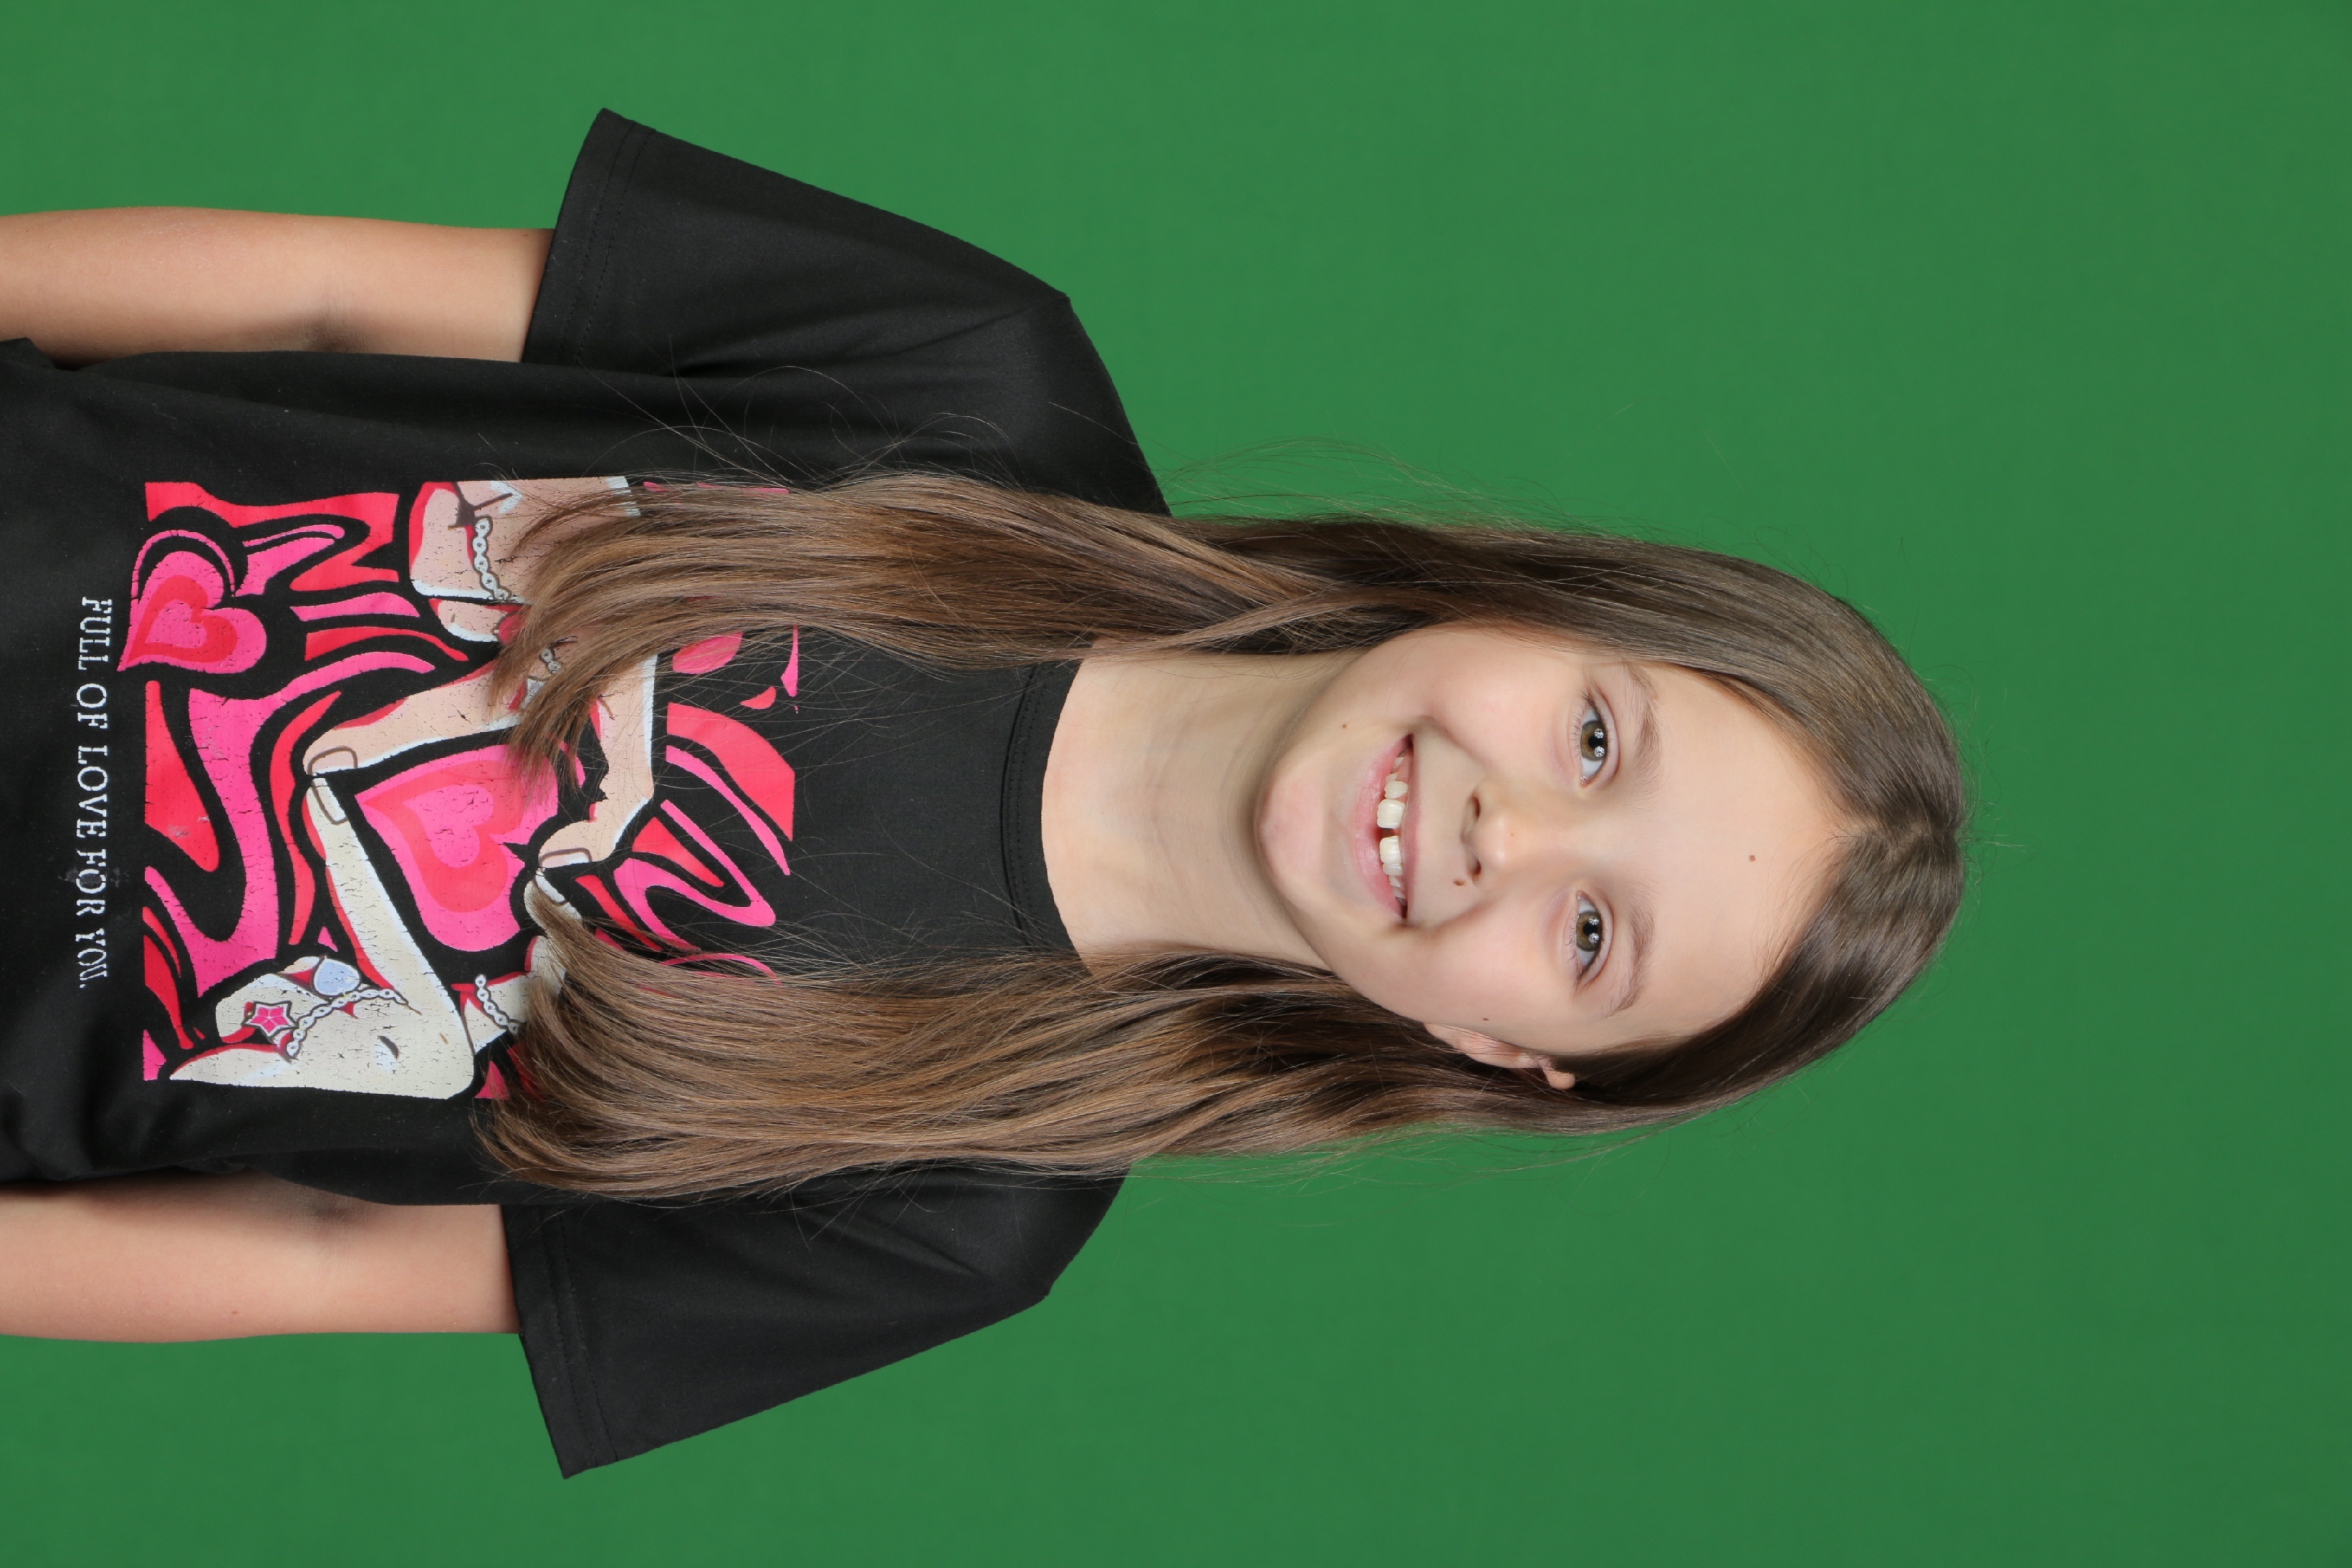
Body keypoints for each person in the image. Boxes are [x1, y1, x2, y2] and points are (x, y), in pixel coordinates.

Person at [0, 112, 1966, 1473]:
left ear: (1503, 1052)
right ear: (1535, 606)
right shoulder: (972, 381)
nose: (1503, 835)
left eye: (1592, 933)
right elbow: (323, 299)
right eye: (1597, 740)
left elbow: (313, 1248)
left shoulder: (954, 1211)